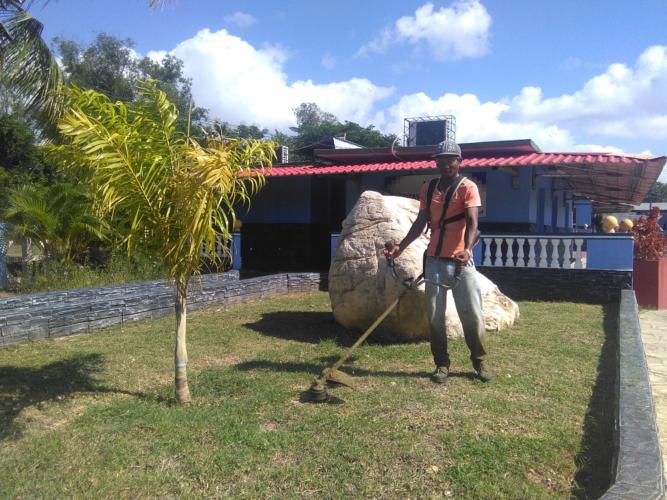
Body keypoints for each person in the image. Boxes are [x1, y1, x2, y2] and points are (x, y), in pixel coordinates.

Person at [384, 139, 490, 384]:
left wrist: (467, 249)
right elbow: (421, 221)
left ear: (459, 161)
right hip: (433, 261)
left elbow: (473, 224)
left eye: (449, 160)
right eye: (440, 160)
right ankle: (441, 364)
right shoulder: (428, 188)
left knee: (472, 314)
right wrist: (401, 247)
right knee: (434, 316)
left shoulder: (468, 187)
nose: (445, 165)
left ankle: (480, 361)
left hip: (461, 262)